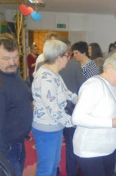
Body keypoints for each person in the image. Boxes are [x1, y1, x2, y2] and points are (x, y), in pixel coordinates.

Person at [72, 52, 116, 176]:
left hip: (109, 149)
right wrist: (112, 123)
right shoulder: (93, 85)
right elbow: (77, 118)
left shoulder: (115, 85)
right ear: (109, 67)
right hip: (91, 151)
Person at [0, 33, 33, 176]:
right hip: (6, 150)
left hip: (17, 144)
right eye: (6, 58)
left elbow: (18, 91)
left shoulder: (9, 72)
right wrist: (1, 163)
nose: (12, 62)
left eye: (15, 57)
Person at [32, 40, 78, 176]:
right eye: (67, 55)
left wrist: (79, 99)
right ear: (59, 57)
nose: (68, 59)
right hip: (46, 129)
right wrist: (74, 122)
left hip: (55, 127)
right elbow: (53, 109)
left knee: (53, 167)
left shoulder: (54, 74)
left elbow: (66, 92)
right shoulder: (46, 77)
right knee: (45, 169)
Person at [59, 38, 86, 176]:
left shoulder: (42, 65)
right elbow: (82, 86)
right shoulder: (75, 65)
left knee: (53, 147)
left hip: (53, 114)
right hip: (70, 110)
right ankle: (72, 172)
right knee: (71, 145)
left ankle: (55, 171)